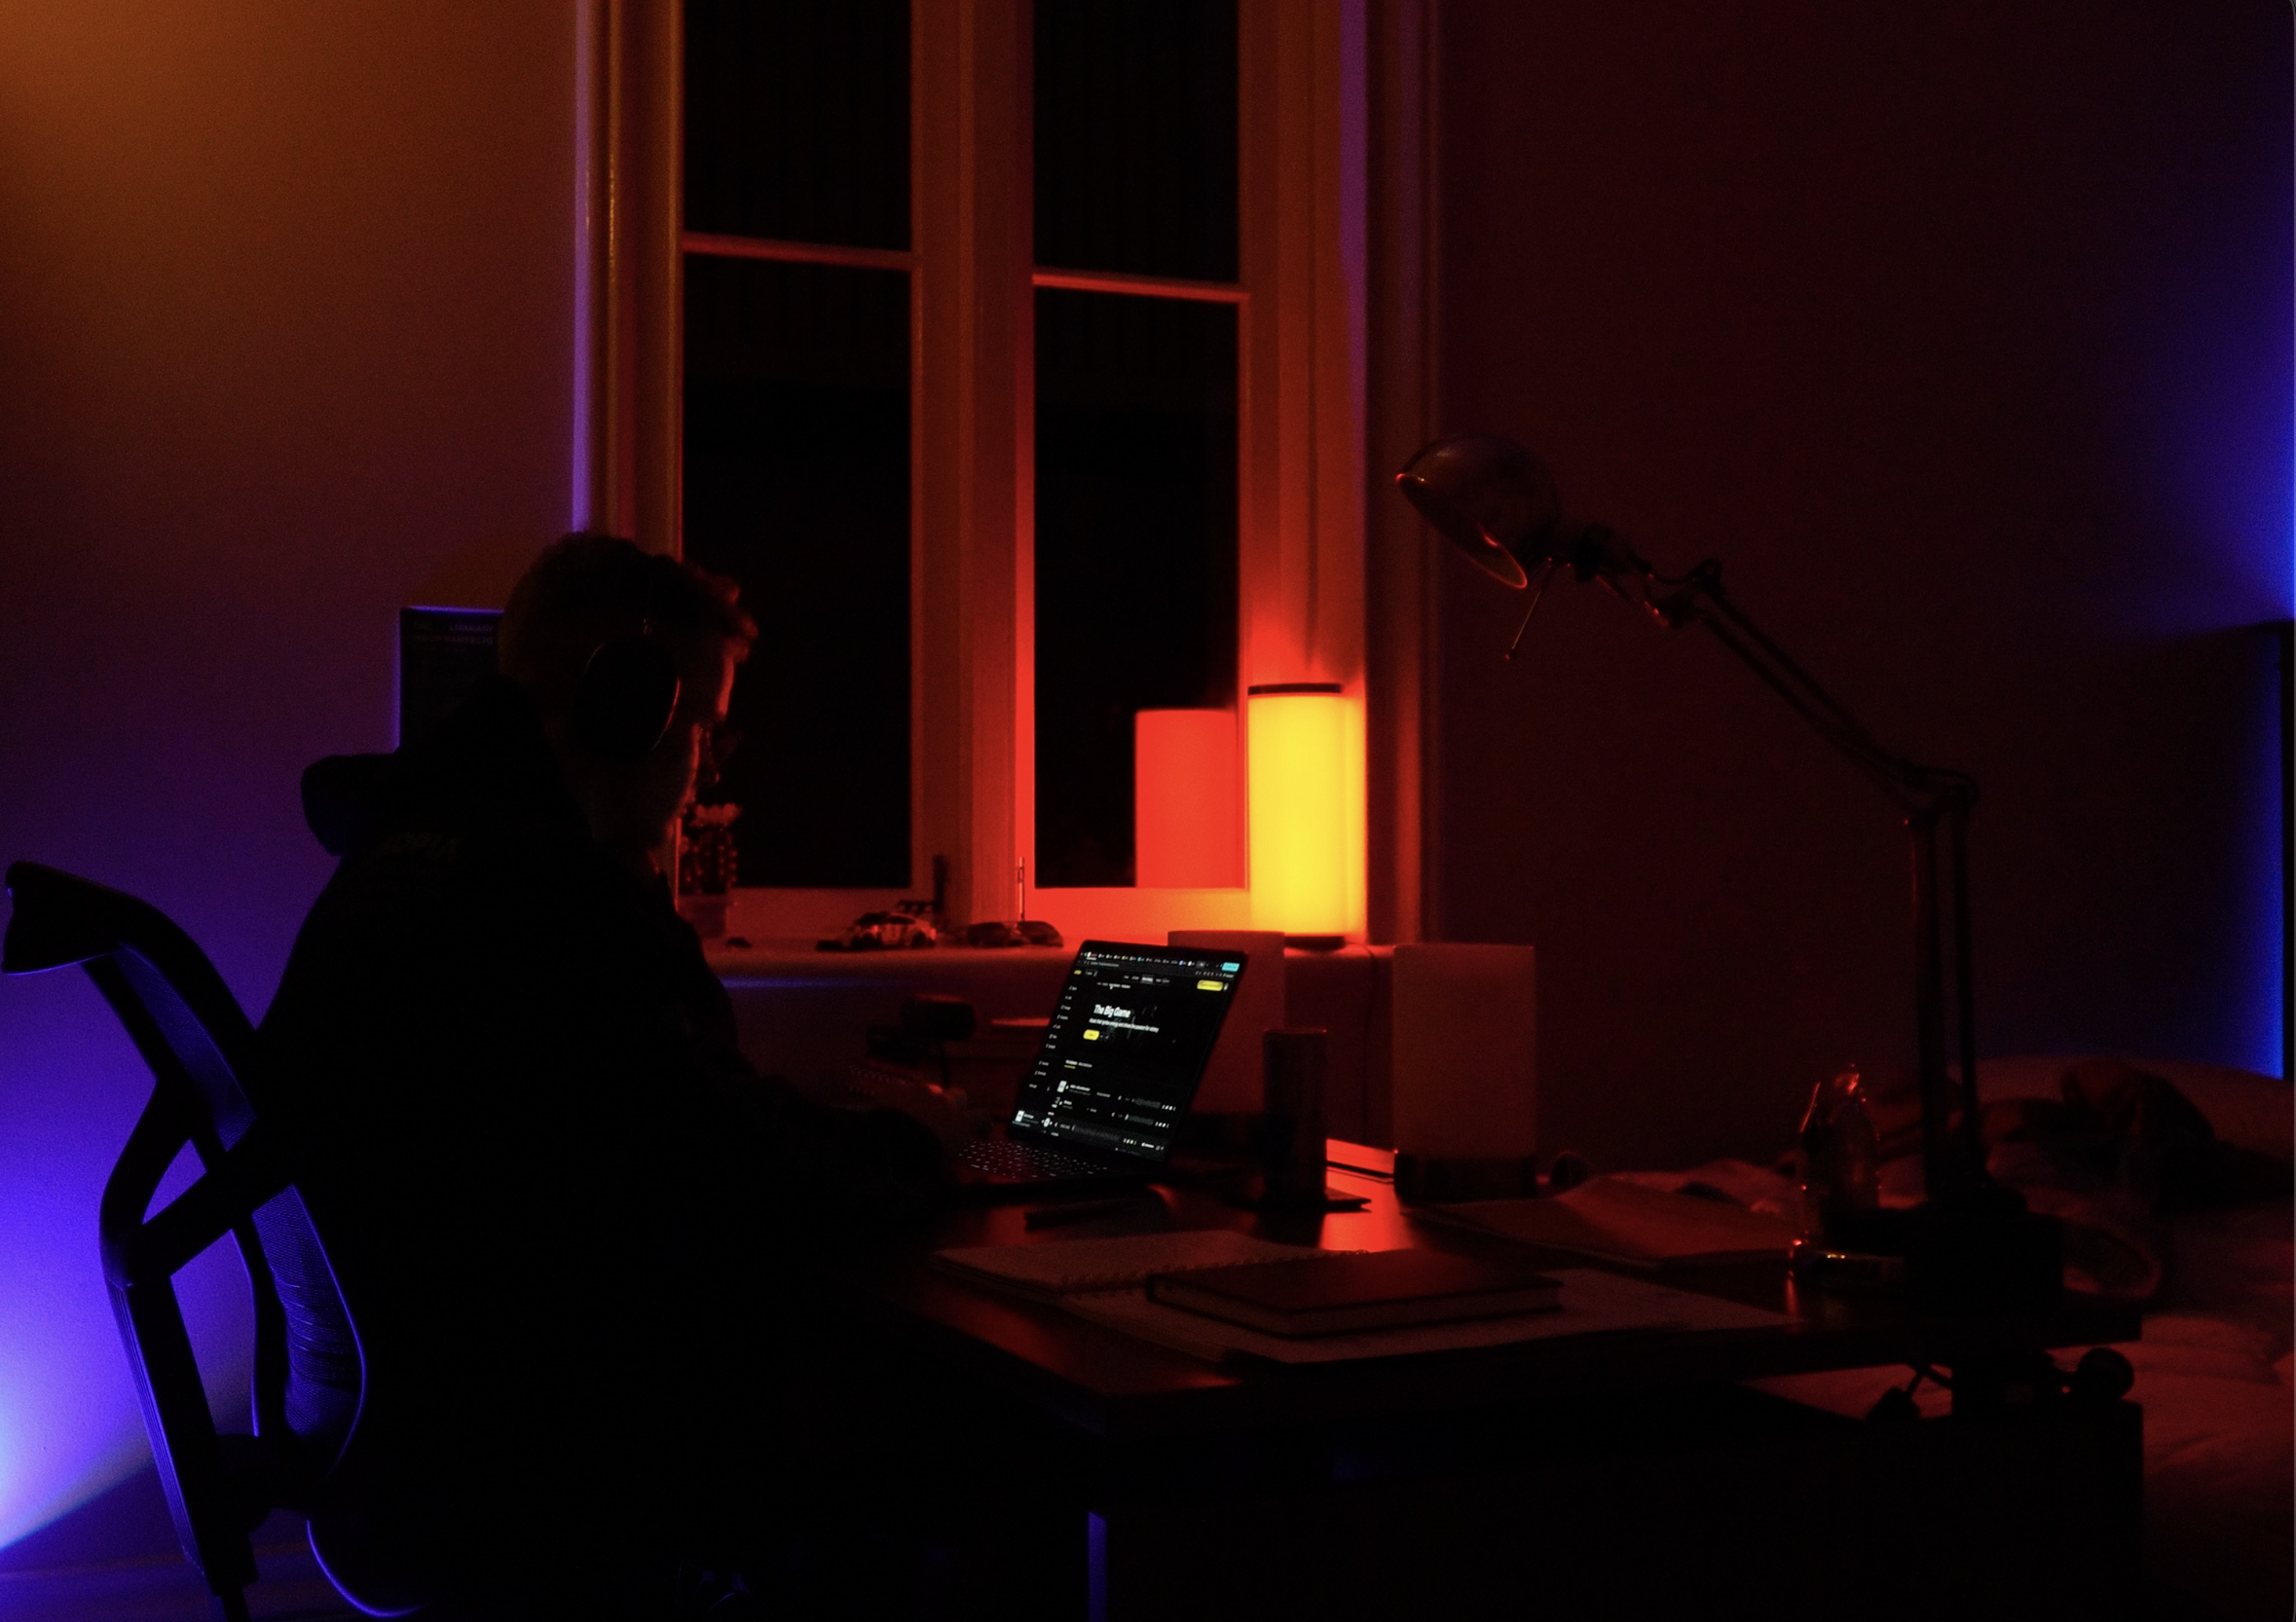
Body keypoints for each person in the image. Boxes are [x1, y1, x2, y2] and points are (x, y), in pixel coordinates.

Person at [260, 535, 944, 1618]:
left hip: (396, 1440)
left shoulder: (411, 858)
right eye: (702, 730)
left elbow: (650, 1130)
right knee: (951, 1420)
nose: (704, 775)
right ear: (631, 704)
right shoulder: (555, 902)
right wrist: (925, 1154)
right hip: (527, 1465)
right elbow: (728, 1164)